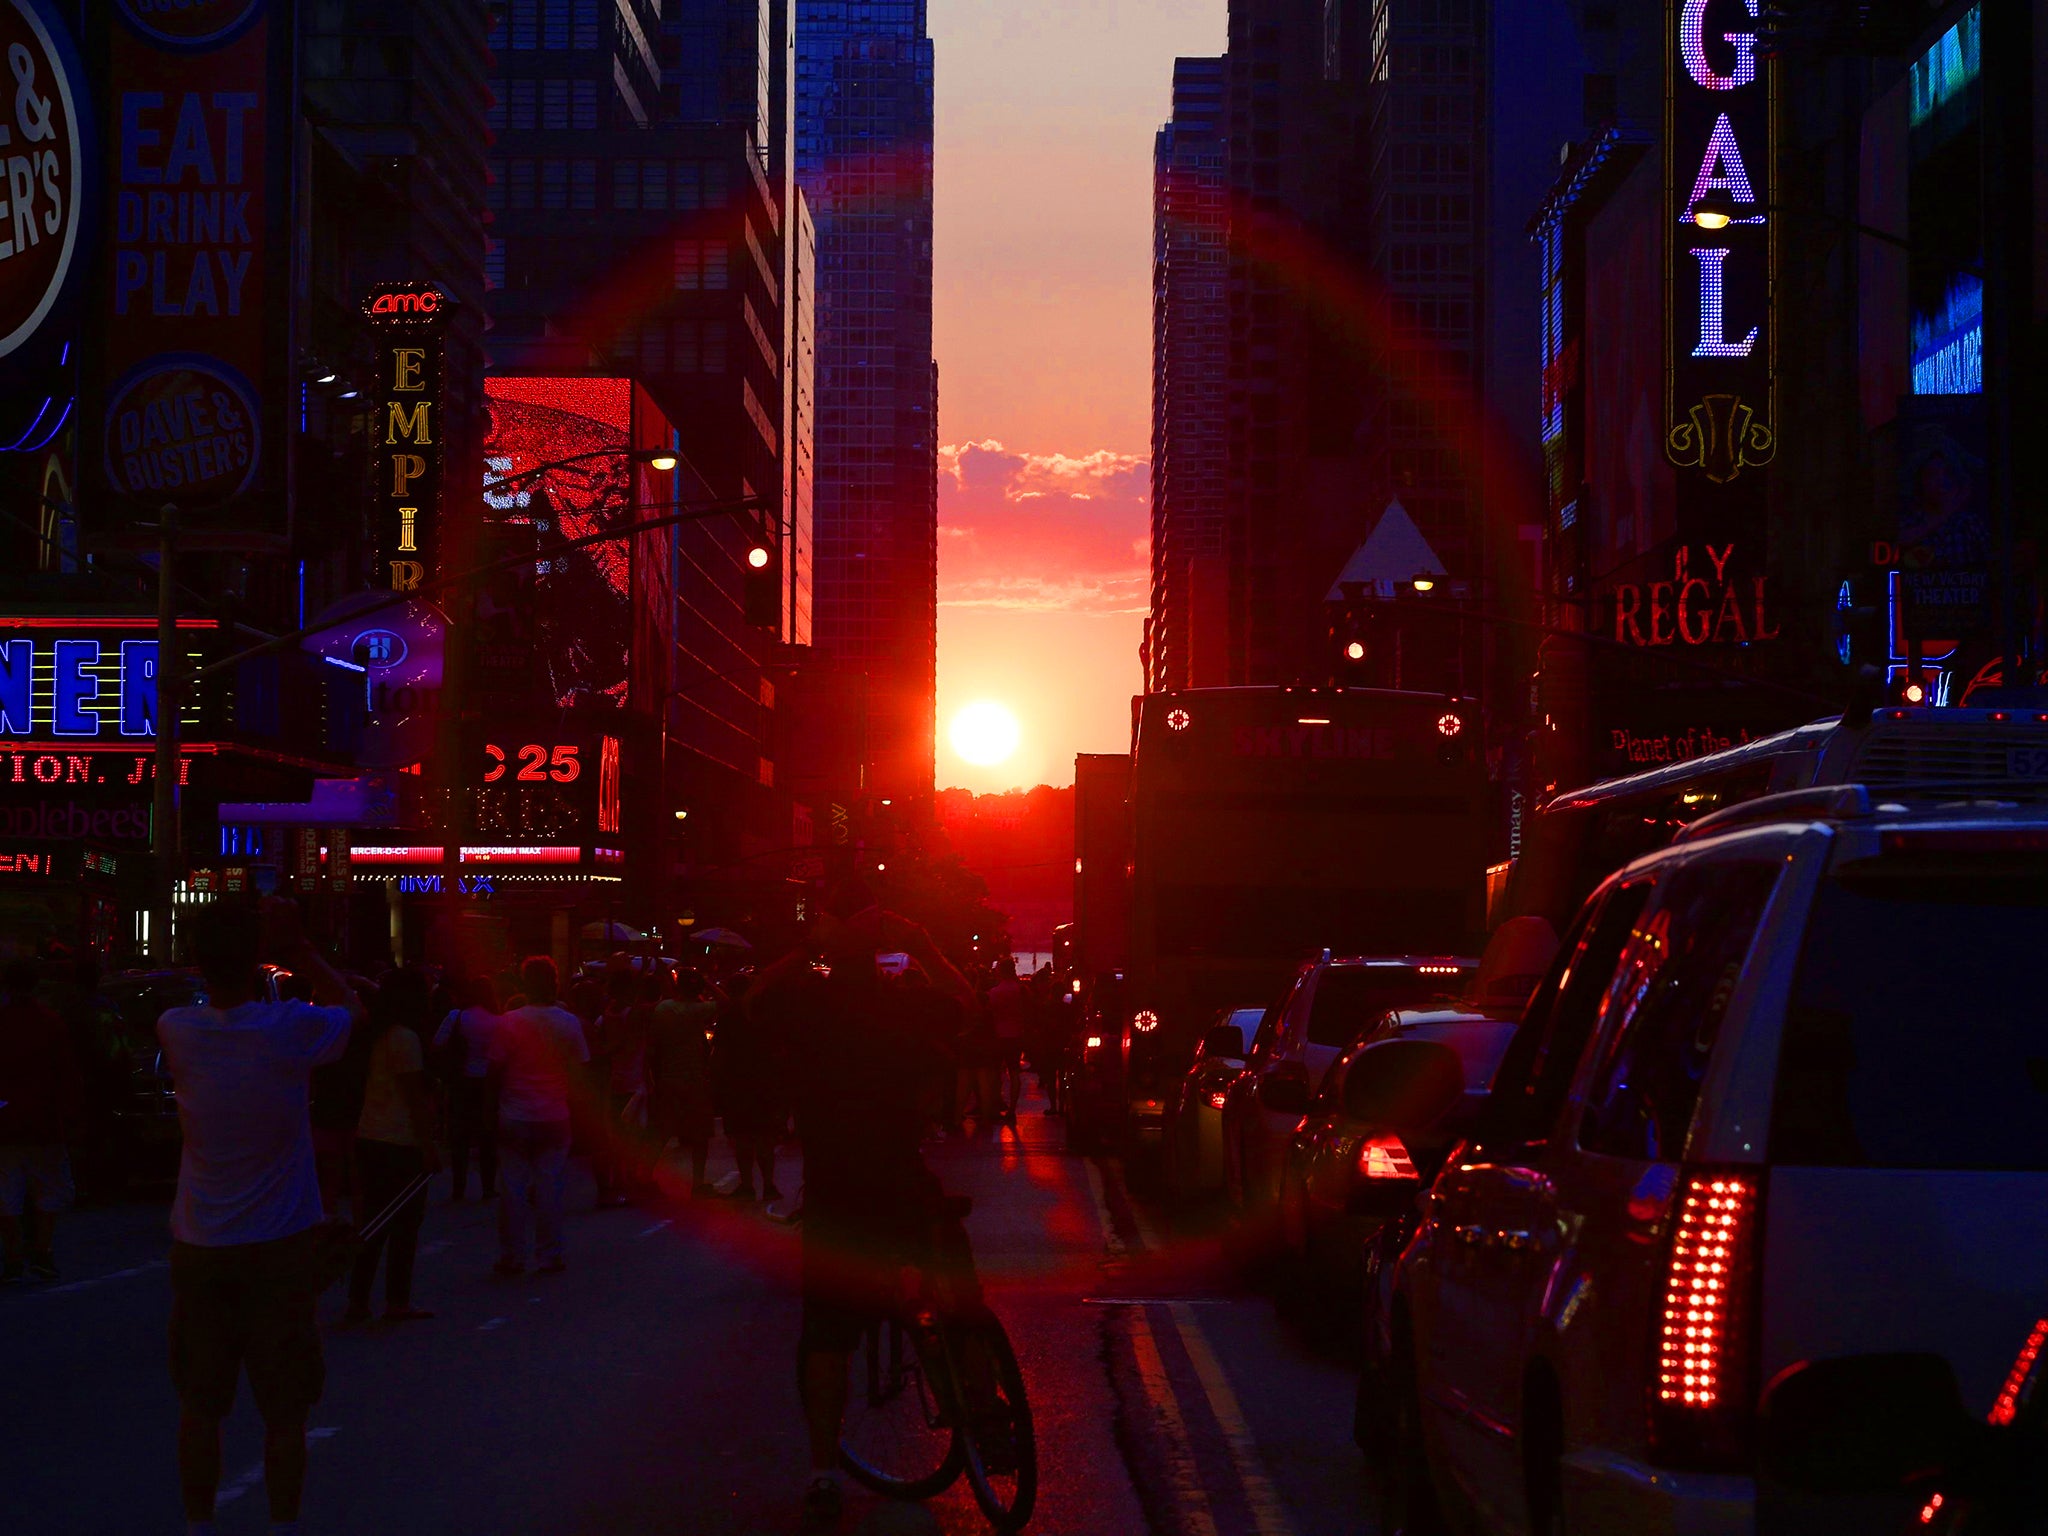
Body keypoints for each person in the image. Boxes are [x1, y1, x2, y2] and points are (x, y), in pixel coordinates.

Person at [748, 881, 980, 1529]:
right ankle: (984, 1410)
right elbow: (965, 1001)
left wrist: (805, 949)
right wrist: (922, 943)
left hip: (836, 1191)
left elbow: (753, 998)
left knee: (826, 1336)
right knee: (957, 1295)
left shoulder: (807, 1011)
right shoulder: (904, 1009)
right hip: (901, 1183)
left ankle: (823, 1472)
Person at [155, 897, 364, 1536]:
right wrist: (300, 949)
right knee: (285, 1410)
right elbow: (354, 1011)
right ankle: (282, 1523)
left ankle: (198, 1522)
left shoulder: (176, 1030)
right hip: (279, 1245)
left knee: (200, 1403)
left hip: (200, 1242)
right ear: (257, 962)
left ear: (197, 962)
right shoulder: (288, 1028)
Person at [343, 969, 442, 1325]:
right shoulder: (406, 1039)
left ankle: (358, 1300)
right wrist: (429, 1147)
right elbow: (415, 1100)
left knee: (373, 1223)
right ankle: (396, 1300)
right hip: (400, 1142)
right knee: (403, 1227)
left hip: (372, 1136)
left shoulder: (378, 1033)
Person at [488, 955, 589, 1276]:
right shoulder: (568, 1022)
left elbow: (493, 1069)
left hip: (515, 1114)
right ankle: (549, 1254)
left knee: (513, 1190)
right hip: (554, 1115)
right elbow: (578, 1072)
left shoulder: (509, 1021)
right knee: (550, 1189)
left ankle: (512, 1256)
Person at [0, 958, 83, 1281]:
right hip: (44, 1121)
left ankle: (13, 1254)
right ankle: (42, 1251)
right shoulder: (50, 1022)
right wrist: (72, 1115)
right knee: (48, 1188)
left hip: (6, 1121)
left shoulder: (4, 1022)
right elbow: (67, 1074)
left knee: (6, 1190)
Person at [646, 969, 722, 1196]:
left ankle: (643, 1176)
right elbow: (727, 1003)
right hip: (694, 1079)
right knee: (700, 1136)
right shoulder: (700, 1010)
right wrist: (709, 982)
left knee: (662, 1131)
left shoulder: (663, 1008)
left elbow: (653, 1046)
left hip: (668, 1078)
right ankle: (698, 1183)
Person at [432, 976, 500, 1200]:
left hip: (461, 1081)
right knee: (488, 1138)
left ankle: (458, 1188)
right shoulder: (498, 1020)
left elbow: (438, 1043)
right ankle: (488, 1188)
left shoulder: (457, 1017)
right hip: (489, 1084)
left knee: (459, 1137)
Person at [986, 958, 1027, 1125]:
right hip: (1016, 1034)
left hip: (998, 1035)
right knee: (1014, 1072)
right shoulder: (1020, 991)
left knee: (996, 1073)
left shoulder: (994, 992)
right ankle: (1012, 1108)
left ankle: (995, 1105)